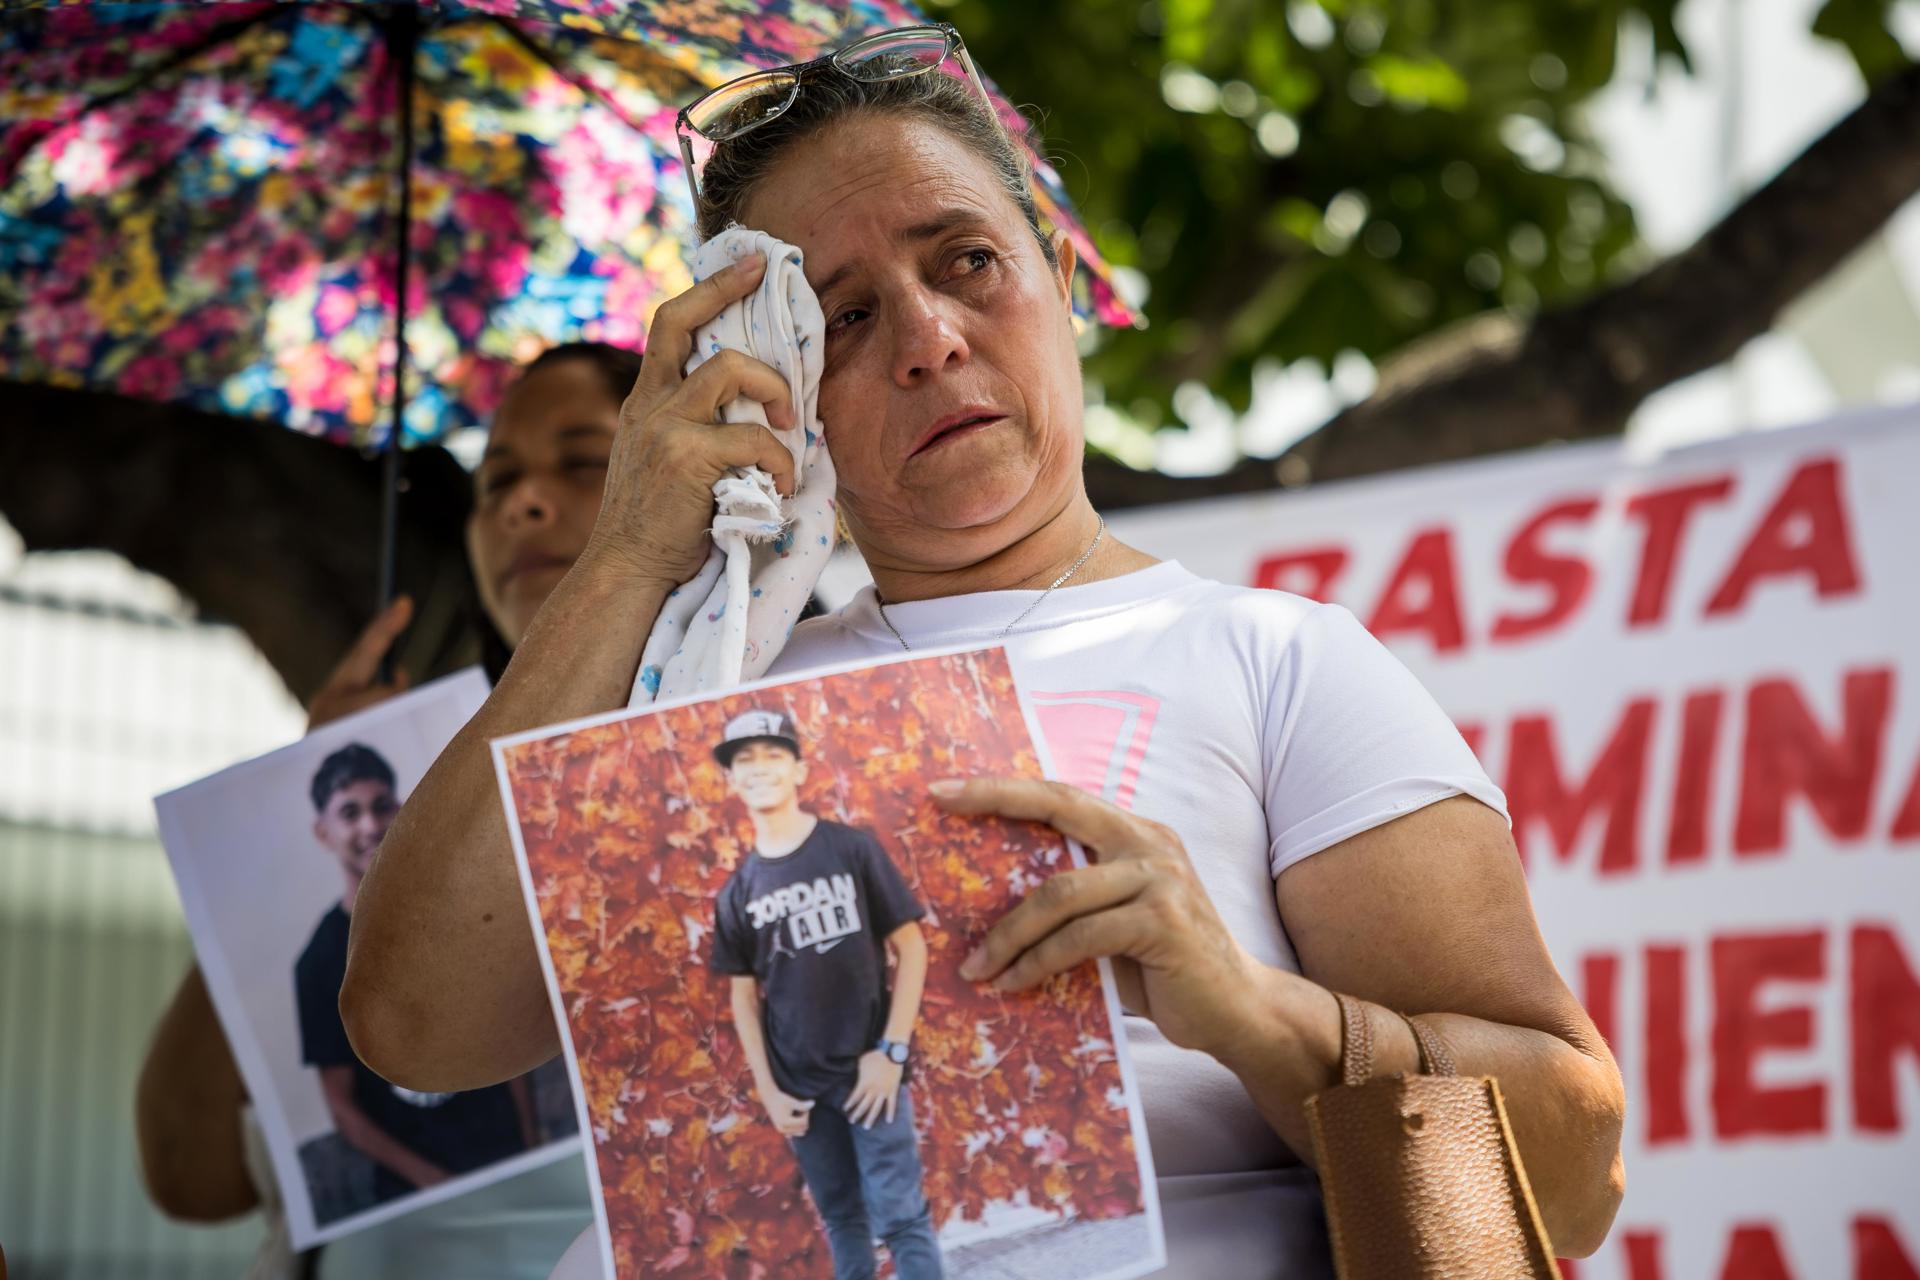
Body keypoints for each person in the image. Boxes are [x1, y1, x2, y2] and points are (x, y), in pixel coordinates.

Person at [343, 33, 1627, 1277]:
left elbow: (1572, 1176)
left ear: (1058, 280)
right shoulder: (705, 700)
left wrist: (1249, 1007)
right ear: (771, 381)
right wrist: (626, 548)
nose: (927, 336)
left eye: (966, 259)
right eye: (841, 316)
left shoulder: (1273, 657)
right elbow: (416, 1028)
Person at [136, 341, 642, 1277]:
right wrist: (293, 805)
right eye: (496, 482)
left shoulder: (768, 747)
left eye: (582, 460)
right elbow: (190, 1175)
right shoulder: (406, 795)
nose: (523, 504)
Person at [708, 710, 939, 1280]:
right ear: (731, 781)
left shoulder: (850, 850)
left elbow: (911, 950)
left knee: (902, 1217)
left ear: (799, 770)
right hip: (800, 1092)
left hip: (871, 1076)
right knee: (841, 1219)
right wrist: (768, 1091)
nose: (759, 769)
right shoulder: (736, 893)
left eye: (772, 756)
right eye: (745, 761)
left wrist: (892, 1054)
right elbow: (744, 999)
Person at [297, 743, 533, 1213]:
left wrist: (531, 1144)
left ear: (401, 808)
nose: (370, 825)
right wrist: (432, 1182)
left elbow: (500, 1039)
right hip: (418, 1198)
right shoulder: (319, 961)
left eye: (381, 806)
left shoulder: (457, 912)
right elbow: (341, 1108)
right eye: (350, 812)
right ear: (324, 832)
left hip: (506, 1164)